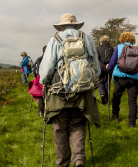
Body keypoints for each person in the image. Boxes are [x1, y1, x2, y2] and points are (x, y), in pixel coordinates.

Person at [39, 13, 102, 167]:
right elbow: (96, 68)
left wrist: (43, 82)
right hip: (83, 91)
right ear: (76, 25)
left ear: (61, 26)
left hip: (59, 92)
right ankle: (79, 158)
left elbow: (46, 69)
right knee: (78, 124)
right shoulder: (86, 38)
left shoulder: (55, 39)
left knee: (60, 128)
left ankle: (62, 163)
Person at [106, 32, 138, 127]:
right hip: (135, 78)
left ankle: (115, 116)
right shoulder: (136, 49)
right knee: (132, 100)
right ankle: (132, 123)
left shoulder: (119, 47)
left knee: (116, 96)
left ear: (122, 38)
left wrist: (108, 67)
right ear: (133, 39)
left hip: (120, 77)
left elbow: (112, 63)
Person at [96, 35, 114, 104]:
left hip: (101, 68)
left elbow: (97, 58)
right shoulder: (111, 48)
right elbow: (113, 58)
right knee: (107, 83)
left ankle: (102, 94)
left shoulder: (99, 48)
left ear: (101, 41)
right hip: (109, 67)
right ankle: (106, 99)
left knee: (100, 81)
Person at [34, 46, 46, 117]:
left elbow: (34, 70)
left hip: (40, 79)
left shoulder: (39, 59)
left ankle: (41, 112)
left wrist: (36, 77)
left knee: (41, 96)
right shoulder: (52, 58)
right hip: (49, 80)